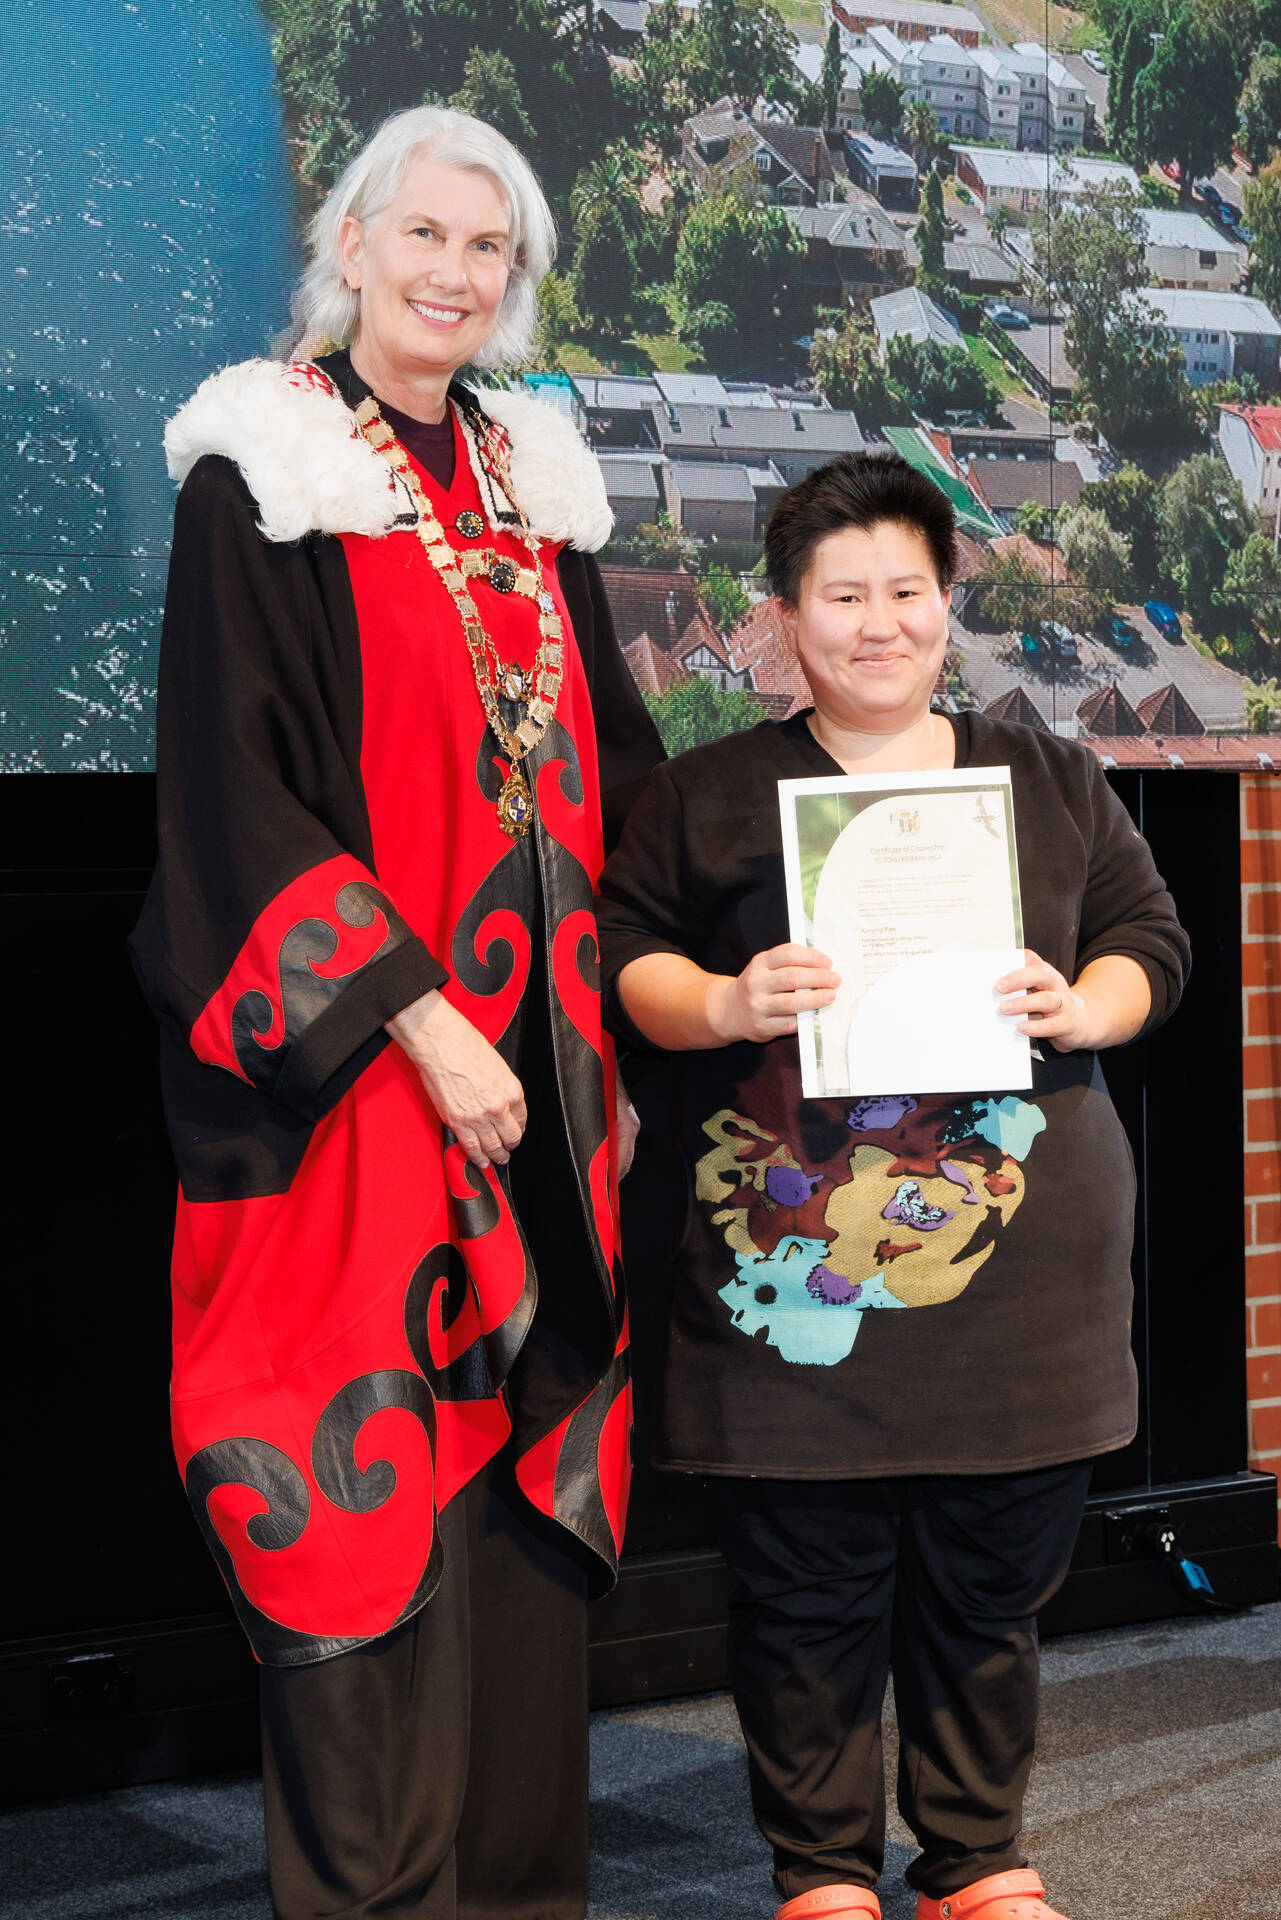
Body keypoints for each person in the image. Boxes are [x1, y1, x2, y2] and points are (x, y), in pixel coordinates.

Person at [130, 105, 662, 1920]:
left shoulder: (530, 479)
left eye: (485, 248)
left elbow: (606, 770)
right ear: (349, 243)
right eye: (420, 234)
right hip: (359, 1081)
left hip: (542, 1089)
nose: (451, 273)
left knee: (514, 1512)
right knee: (373, 1490)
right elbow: (229, 797)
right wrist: (417, 1022)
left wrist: (625, 1024)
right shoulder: (265, 469)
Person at [595, 452, 1190, 1920]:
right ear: (786, 614)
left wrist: (1084, 1006)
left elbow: (1149, 944)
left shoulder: (1047, 777)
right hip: (800, 1274)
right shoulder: (705, 794)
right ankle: (821, 1871)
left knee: (991, 1589)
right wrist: (726, 1003)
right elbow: (621, 964)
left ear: (946, 602)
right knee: (805, 1596)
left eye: (907, 592)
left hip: (1018, 1282)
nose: (880, 625)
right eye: (843, 595)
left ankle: (975, 1855)